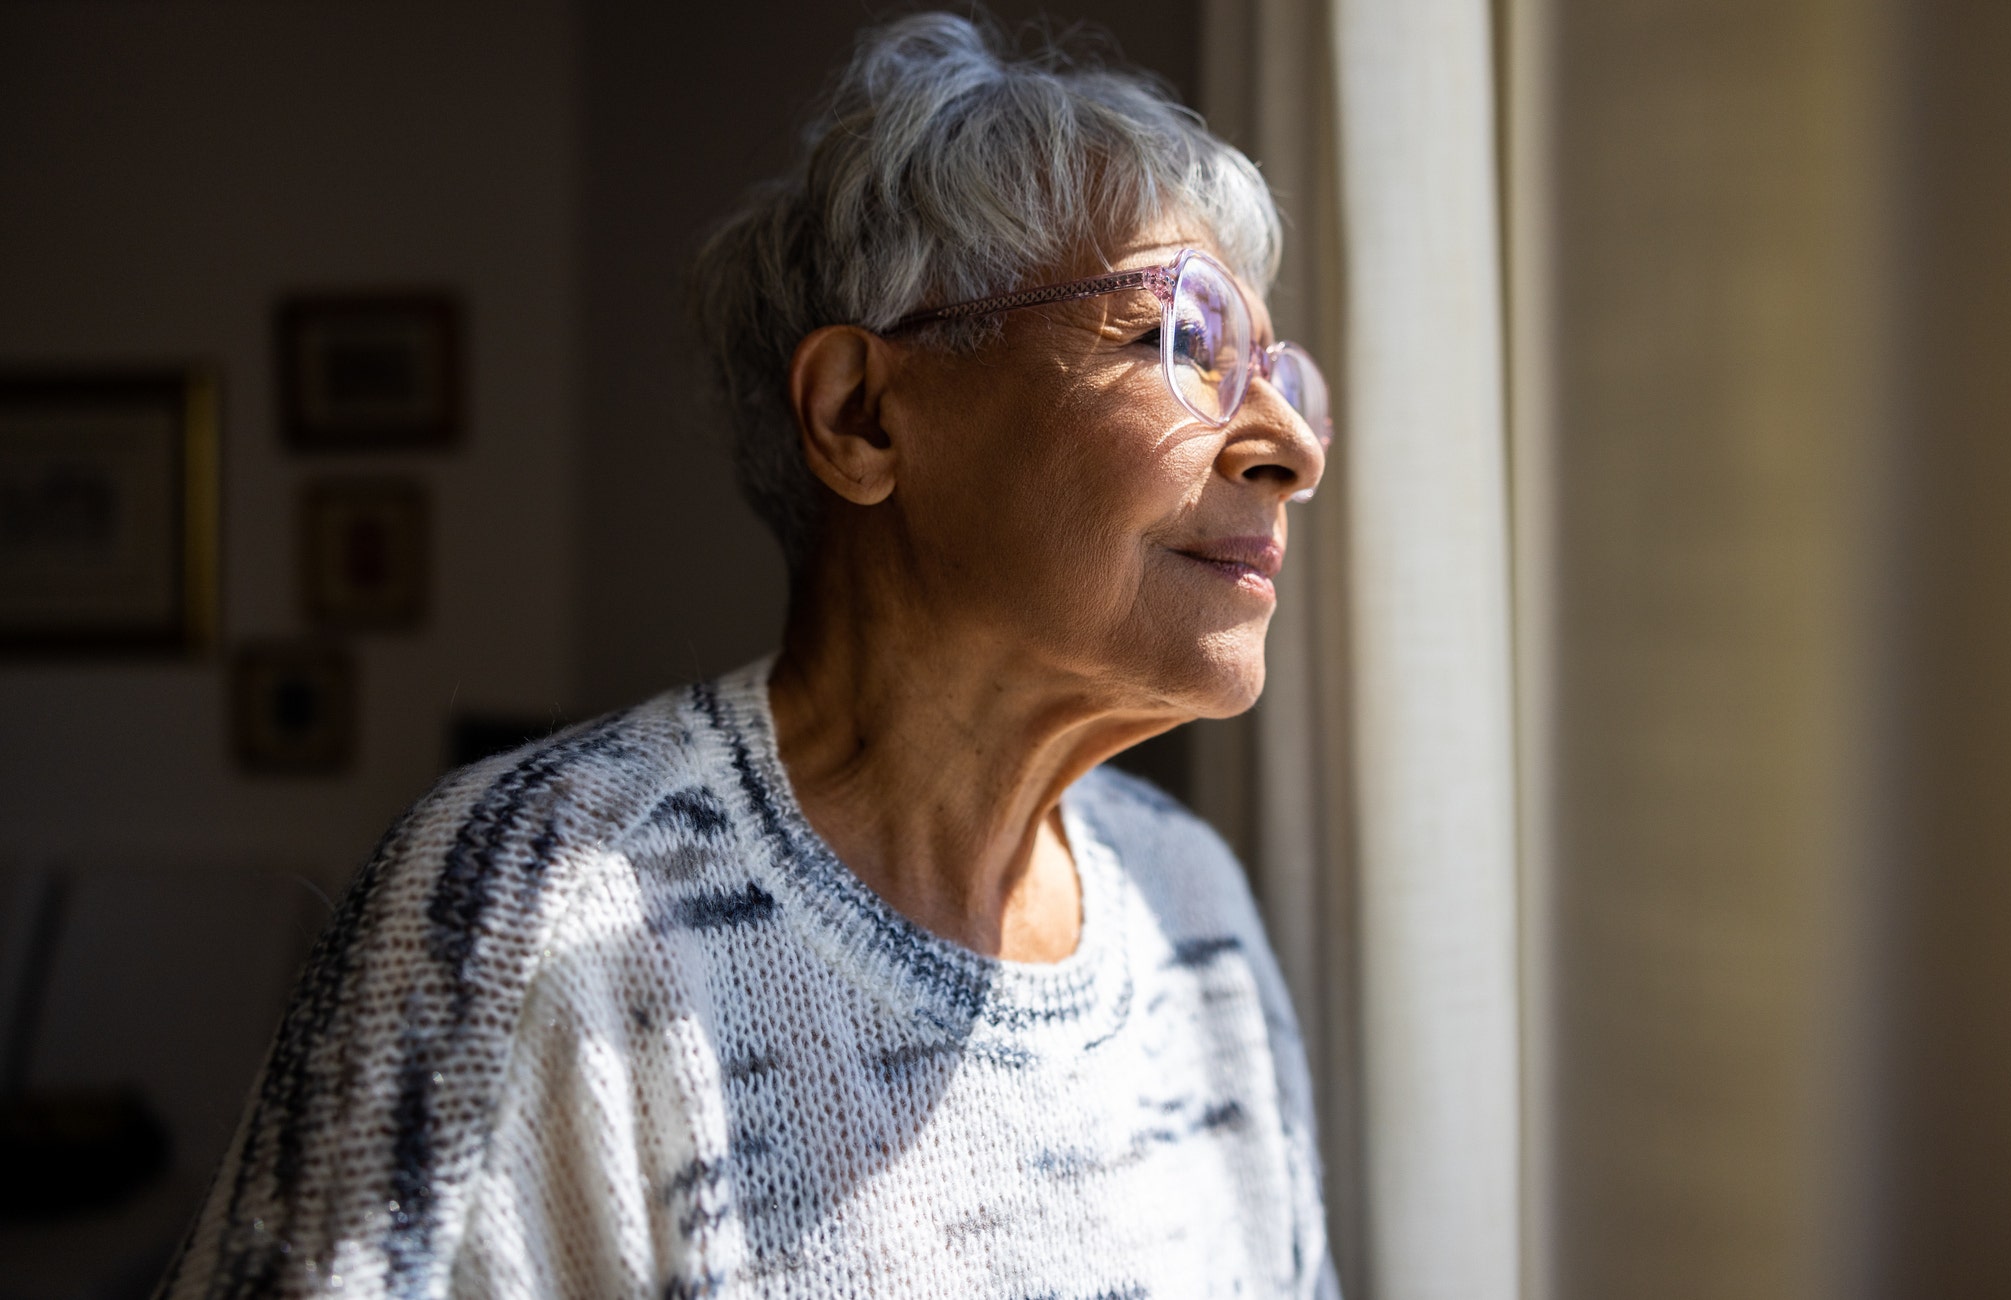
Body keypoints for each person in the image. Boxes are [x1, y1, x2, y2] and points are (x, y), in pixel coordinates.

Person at [161, 13, 1334, 1298]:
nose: (1290, 445)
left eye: (1277, 371)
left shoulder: (1191, 909)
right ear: (862, 416)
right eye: (1183, 343)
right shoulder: (542, 900)